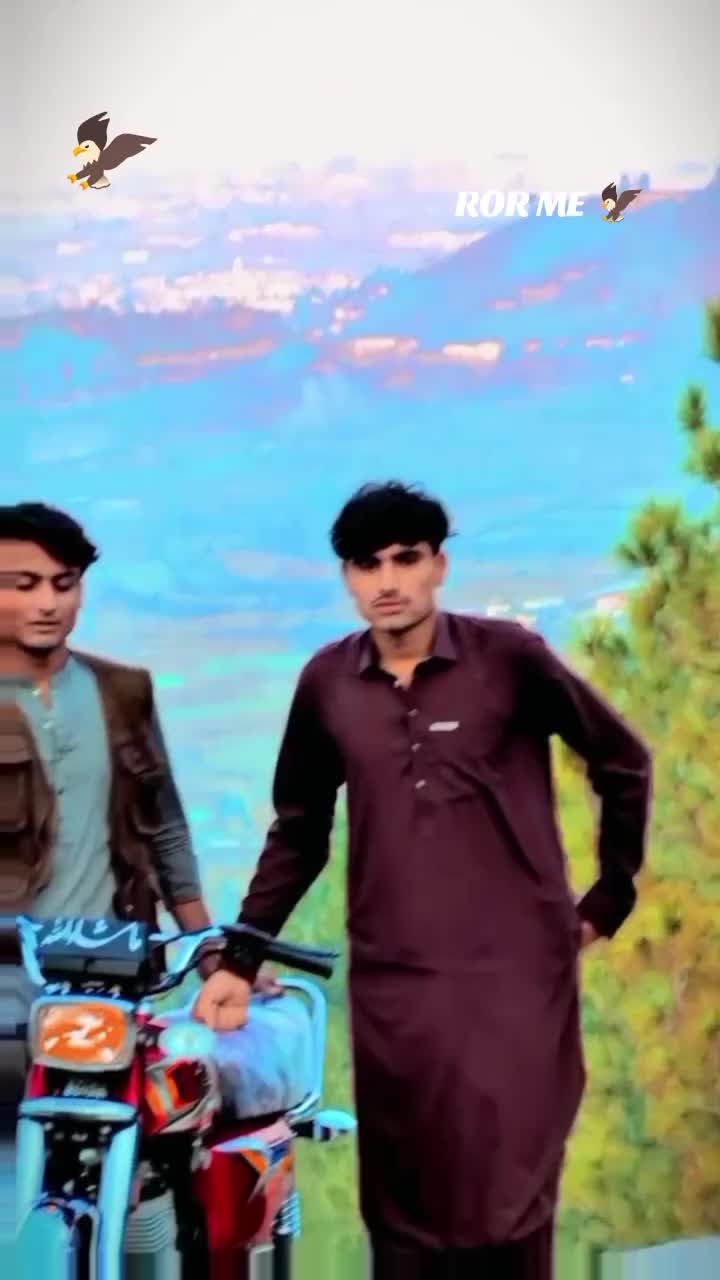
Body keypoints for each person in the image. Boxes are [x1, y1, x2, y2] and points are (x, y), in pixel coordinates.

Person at [193, 481, 653, 1279]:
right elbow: (299, 831)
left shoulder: (508, 660)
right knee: (406, 1200)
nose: (388, 581)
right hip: (395, 982)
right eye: (367, 564)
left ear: (439, 564)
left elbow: (622, 760)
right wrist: (239, 958)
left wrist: (610, 896)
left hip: (516, 976)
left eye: (406, 559)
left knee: (511, 1188)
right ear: (347, 577)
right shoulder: (328, 683)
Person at [0, 502, 215, 1116]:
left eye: (63, 584)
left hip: (110, 972)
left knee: (123, 1143)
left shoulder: (122, 692)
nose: (48, 603)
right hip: (8, 977)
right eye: (24, 585)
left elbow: (165, 828)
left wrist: (208, 948)